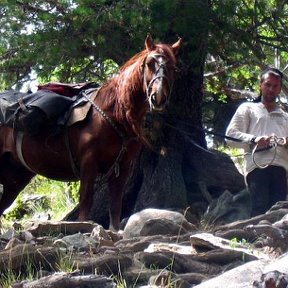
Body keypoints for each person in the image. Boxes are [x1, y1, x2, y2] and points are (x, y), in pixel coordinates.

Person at [226, 68, 288, 216]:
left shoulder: (285, 116)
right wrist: (254, 139)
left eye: (275, 86)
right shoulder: (248, 108)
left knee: (279, 210)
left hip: (281, 169)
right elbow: (230, 136)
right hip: (257, 166)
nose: (271, 89)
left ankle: (273, 239)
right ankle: (256, 238)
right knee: (259, 206)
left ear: (280, 89)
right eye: (268, 85)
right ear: (260, 85)